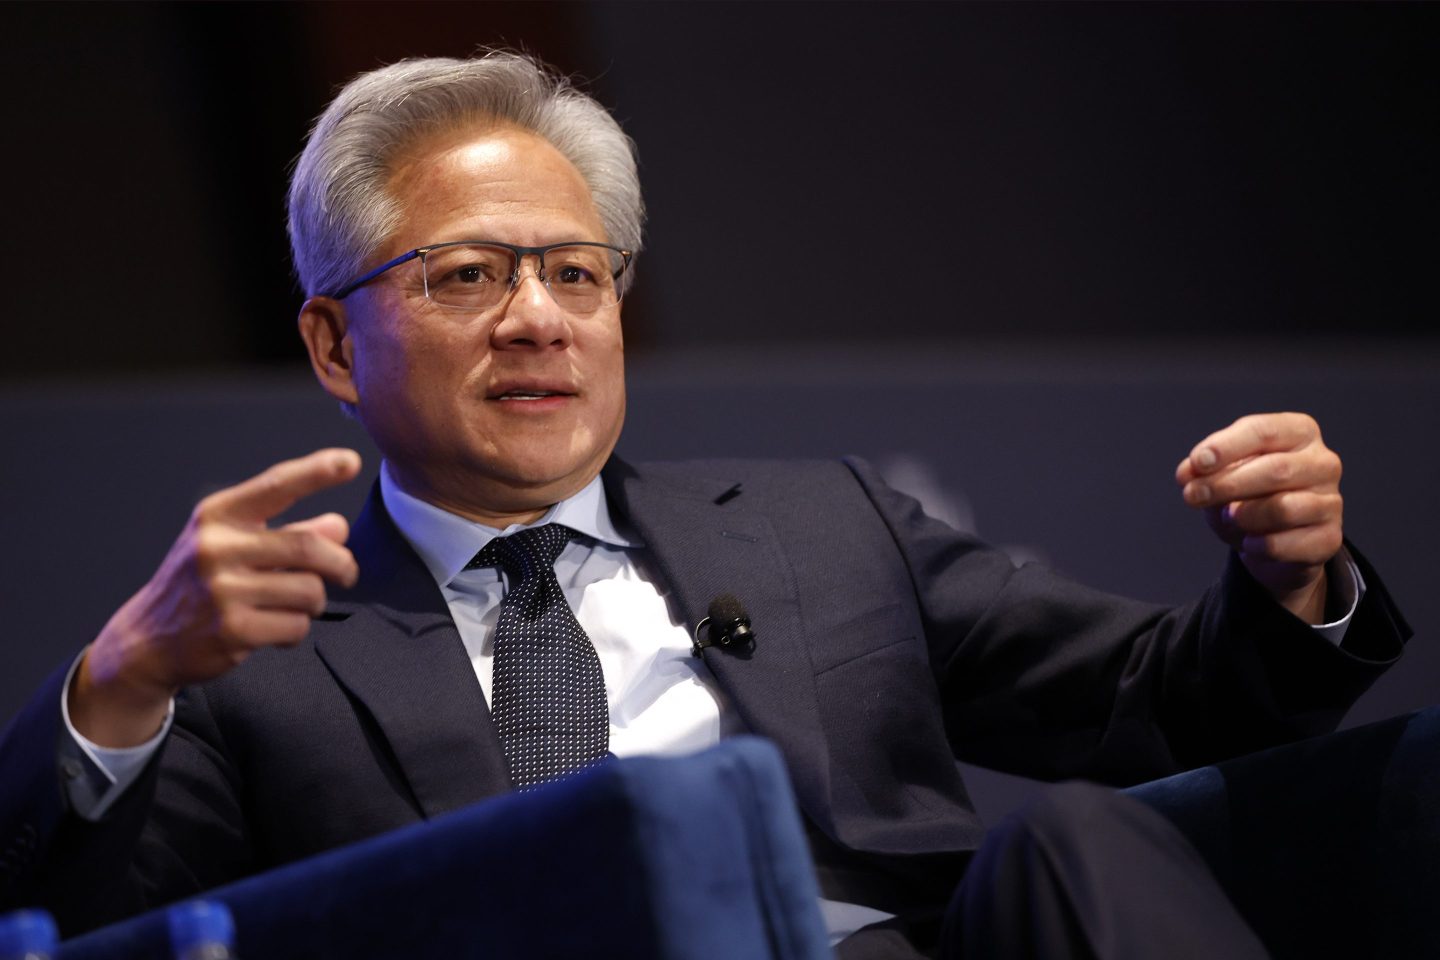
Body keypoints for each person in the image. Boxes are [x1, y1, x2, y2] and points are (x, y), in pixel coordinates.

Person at [0, 51, 1408, 958]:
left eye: (576, 272)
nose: (540, 319)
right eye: (469, 276)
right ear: (330, 346)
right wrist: (120, 684)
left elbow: (1170, 705)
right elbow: (62, 925)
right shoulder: (250, 663)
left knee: (1073, 839)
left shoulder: (825, 528)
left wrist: (1289, 575)